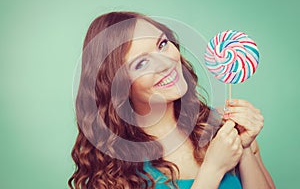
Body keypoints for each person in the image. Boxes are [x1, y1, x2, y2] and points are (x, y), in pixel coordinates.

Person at [68, 11, 275, 189]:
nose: (166, 63)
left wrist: (245, 150)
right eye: (141, 63)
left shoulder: (221, 127)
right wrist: (213, 169)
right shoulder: (115, 169)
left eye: (162, 44)